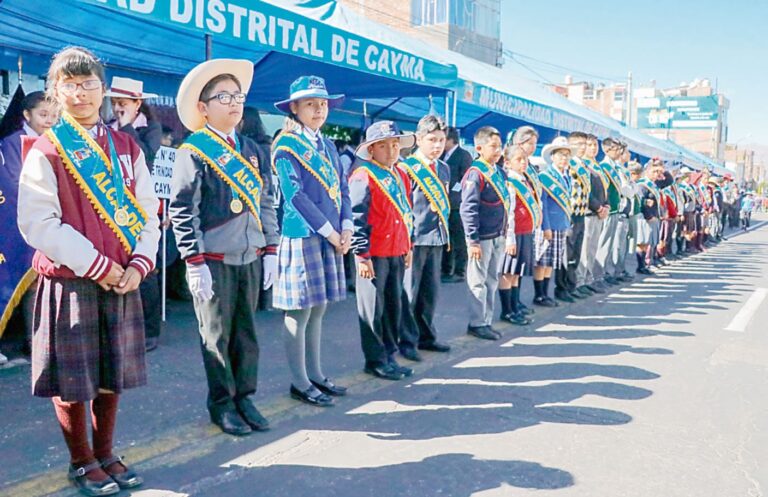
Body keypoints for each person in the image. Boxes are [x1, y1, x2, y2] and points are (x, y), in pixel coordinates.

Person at [18, 46, 160, 496]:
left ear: (104, 88)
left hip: (123, 279)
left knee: (109, 372)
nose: (81, 92)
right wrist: (100, 266)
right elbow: (38, 223)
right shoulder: (47, 148)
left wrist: (139, 263)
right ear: (56, 92)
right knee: (74, 380)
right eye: (70, 84)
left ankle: (106, 451)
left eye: (89, 83)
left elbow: (149, 212)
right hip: (72, 280)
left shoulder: (125, 147)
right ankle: (81, 460)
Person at [169, 59, 279, 436]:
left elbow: (264, 201)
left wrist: (272, 250)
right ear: (203, 107)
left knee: (247, 334)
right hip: (213, 260)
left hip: (249, 256)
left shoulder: (251, 148)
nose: (234, 103)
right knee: (216, 336)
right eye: (224, 96)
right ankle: (222, 404)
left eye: (238, 96)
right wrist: (193, 261)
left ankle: (244, 397)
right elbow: (183, 209)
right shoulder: (194, 150)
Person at [271, 76, 351, 407]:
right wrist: (330, 232)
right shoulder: (285, 145)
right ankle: (299, 381)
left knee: (319, 308)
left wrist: (346, 226)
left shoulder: (328, 145)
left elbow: (343, 190)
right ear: (294, 108)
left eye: (322, 104)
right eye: (310, 104)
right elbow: (295, 196)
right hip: (303, 235)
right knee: (299, 311)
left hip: (332, 234)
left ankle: (316, 374)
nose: (319, 110)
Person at [349, 120, 415, 381]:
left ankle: (390, 355)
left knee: (392, 306)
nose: (391, 151)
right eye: (384, 146)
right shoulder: (363, 176)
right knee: (372, 310)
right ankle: (375, 359)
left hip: (396, 250)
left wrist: (407, 245)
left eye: (395, 145)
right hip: (374, 254)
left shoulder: (400, 176)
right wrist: (361, 255)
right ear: (371, 149)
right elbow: (357, 219)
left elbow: (406, 215)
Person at [106, 77, 164, 352]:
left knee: (146, 268)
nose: (118, 108)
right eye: (115, 102)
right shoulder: (105, 128)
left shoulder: (151, 128)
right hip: (115, 202)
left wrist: (127, 124)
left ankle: (151, 331)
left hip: (143, 202)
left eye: (123, 103)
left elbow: (146, 155)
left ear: (137, 104)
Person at [0, 91, 58, 354]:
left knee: (46, 285)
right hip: (21, 225)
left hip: (54, 223)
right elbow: (13, 183)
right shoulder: (13, 143)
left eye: (54, 116)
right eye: (43, 115)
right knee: (27, 282)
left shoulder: (58, 142)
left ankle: (42, 341)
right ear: (26, 115)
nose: (49, 120)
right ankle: (35, 343)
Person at [398, 115, 452, 362]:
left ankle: (426, 336)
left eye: (441, 140)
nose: (437, 145)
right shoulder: (407, 168)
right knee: (410, 292)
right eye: (432, 140)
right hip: (415, 238)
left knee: (430, 292)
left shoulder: (444, 168)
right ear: (419, 139)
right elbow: (404, 207)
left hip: (436, 237)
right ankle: (406, 341)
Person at [460, 126, 508, 340]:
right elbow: (469, 209)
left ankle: (486, 320)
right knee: (477, 281)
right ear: (479, 148)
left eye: (500, 146)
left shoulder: (498, 171)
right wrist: (472, 240)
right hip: (481, 239)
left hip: (498, 234)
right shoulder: (475, 173)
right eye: (493, 146)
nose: (498, 150)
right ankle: (477, 322)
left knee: (492, 280)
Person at [497, 143, 535, 326]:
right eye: (518, 160)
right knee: (508, 272)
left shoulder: (524, 180)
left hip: (525, 232)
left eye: (525, 159)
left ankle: (515, 306)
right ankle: (507, 310)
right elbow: (509, 213)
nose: (523, 163)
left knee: (517, 272)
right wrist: (509, 238)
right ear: (508, 162)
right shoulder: (510, 182)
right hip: (514, 233)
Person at [537, 137, 576, 305]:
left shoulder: (567, 177)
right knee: (543, 261)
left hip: (561, 225)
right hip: (549, 226)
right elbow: (543, 205)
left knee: (552, 262)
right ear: (552, 157)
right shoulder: (545, 176)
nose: (564, 158)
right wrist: (546, 226)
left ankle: (546, 294)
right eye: (560, 154)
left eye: (567, 155)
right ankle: (539, 294)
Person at [555, 132, 591, 302]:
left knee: (575, 252)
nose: (582, 147)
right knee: (566, 253)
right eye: (579, 143)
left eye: (585, 143)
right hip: (570, 213)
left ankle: (571, 284)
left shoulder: (582, 165)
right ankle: (562, 287)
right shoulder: (569, 165)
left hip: (581, 213)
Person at [511, 126, 544, 313]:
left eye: (534, 143)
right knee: (511, 269)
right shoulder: (512, 166)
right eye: (528, 143)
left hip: (530, 223)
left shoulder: (530, 167)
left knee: (522, 267)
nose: (531, 147)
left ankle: (517, 302)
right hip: (515, 226)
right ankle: (511, 304)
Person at [576, 134, 609, 295]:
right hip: (590, 212)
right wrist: (598, 207)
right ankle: (580, 280)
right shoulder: (582, 166)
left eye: (595, 145)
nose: (593, 148)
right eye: (590, 145)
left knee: (592, 249)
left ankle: (589, 279)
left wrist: (606, 205)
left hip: (600, 212)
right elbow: (585, 192)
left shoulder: (597, 166)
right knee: (584, 249)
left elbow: (604, 190)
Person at [441, 126, 472, 283]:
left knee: (459, 240)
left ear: (450, 140)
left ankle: (460, 271)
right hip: (444, 204)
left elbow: (466, 178)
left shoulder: (463, 155)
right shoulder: (442, 156)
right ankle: (446, 269)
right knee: (447, 239)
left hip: (457, 204)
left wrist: (453, 192)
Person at [594, 137, 624, 286]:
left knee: (609, 244)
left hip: (614, 209)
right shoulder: (604, 167)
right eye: (616, 148)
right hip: (607, 210)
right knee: (602, 244)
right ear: (606, 150)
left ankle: (605, 272)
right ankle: (598, 275)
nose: (619, 152)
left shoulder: (614, 167)